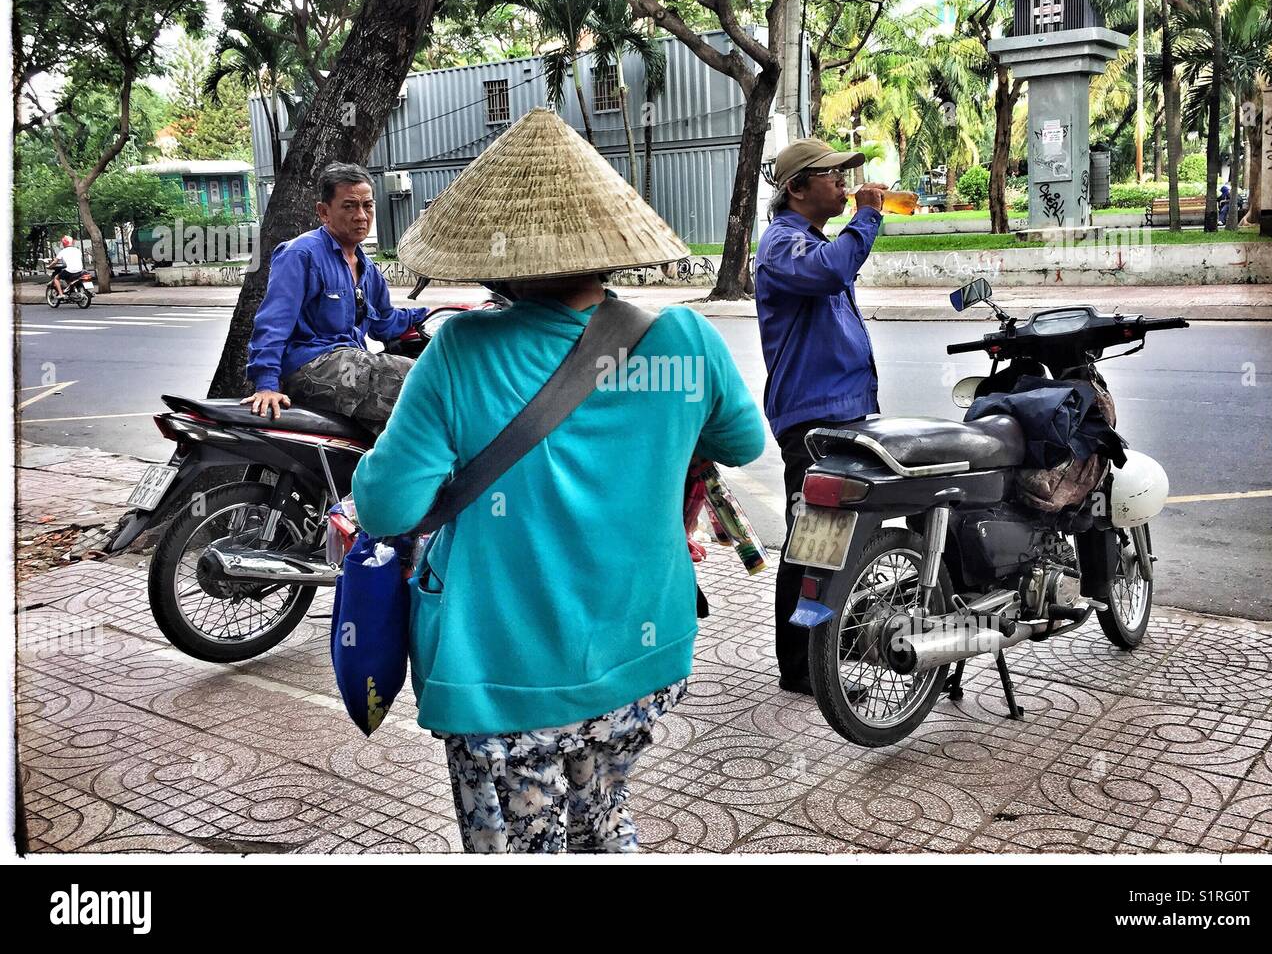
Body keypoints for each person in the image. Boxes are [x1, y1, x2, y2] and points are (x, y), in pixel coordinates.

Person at [350, 109, 766, 853]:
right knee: (604, 812)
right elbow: (741, 439)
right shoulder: (685, 339)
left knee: (524, 841)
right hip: (641, 658)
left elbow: (386, 507)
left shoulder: (460, 352)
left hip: (501, 675)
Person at [754, 137, 887, 696]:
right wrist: (869, 215)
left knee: (836, 538)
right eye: (831, 176)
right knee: (811, 539)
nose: (843, 183)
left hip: (840, 413)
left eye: (844, 175)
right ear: (797, 189)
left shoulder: (807, 240)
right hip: (812, 421)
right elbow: (833, 271)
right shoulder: (783, 245)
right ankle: (801, 667)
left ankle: (829, 644)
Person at [243, 162, 429, 435]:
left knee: (405, 431)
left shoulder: (368, 269)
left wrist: (434, 316)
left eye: (367, 205)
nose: (361, 215)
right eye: (349, 206)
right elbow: (273, 322)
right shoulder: (301, 254)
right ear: (324, 212)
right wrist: (267, 383)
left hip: (348, 364)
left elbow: (385, 323)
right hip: (310, 365)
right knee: (420, 380)